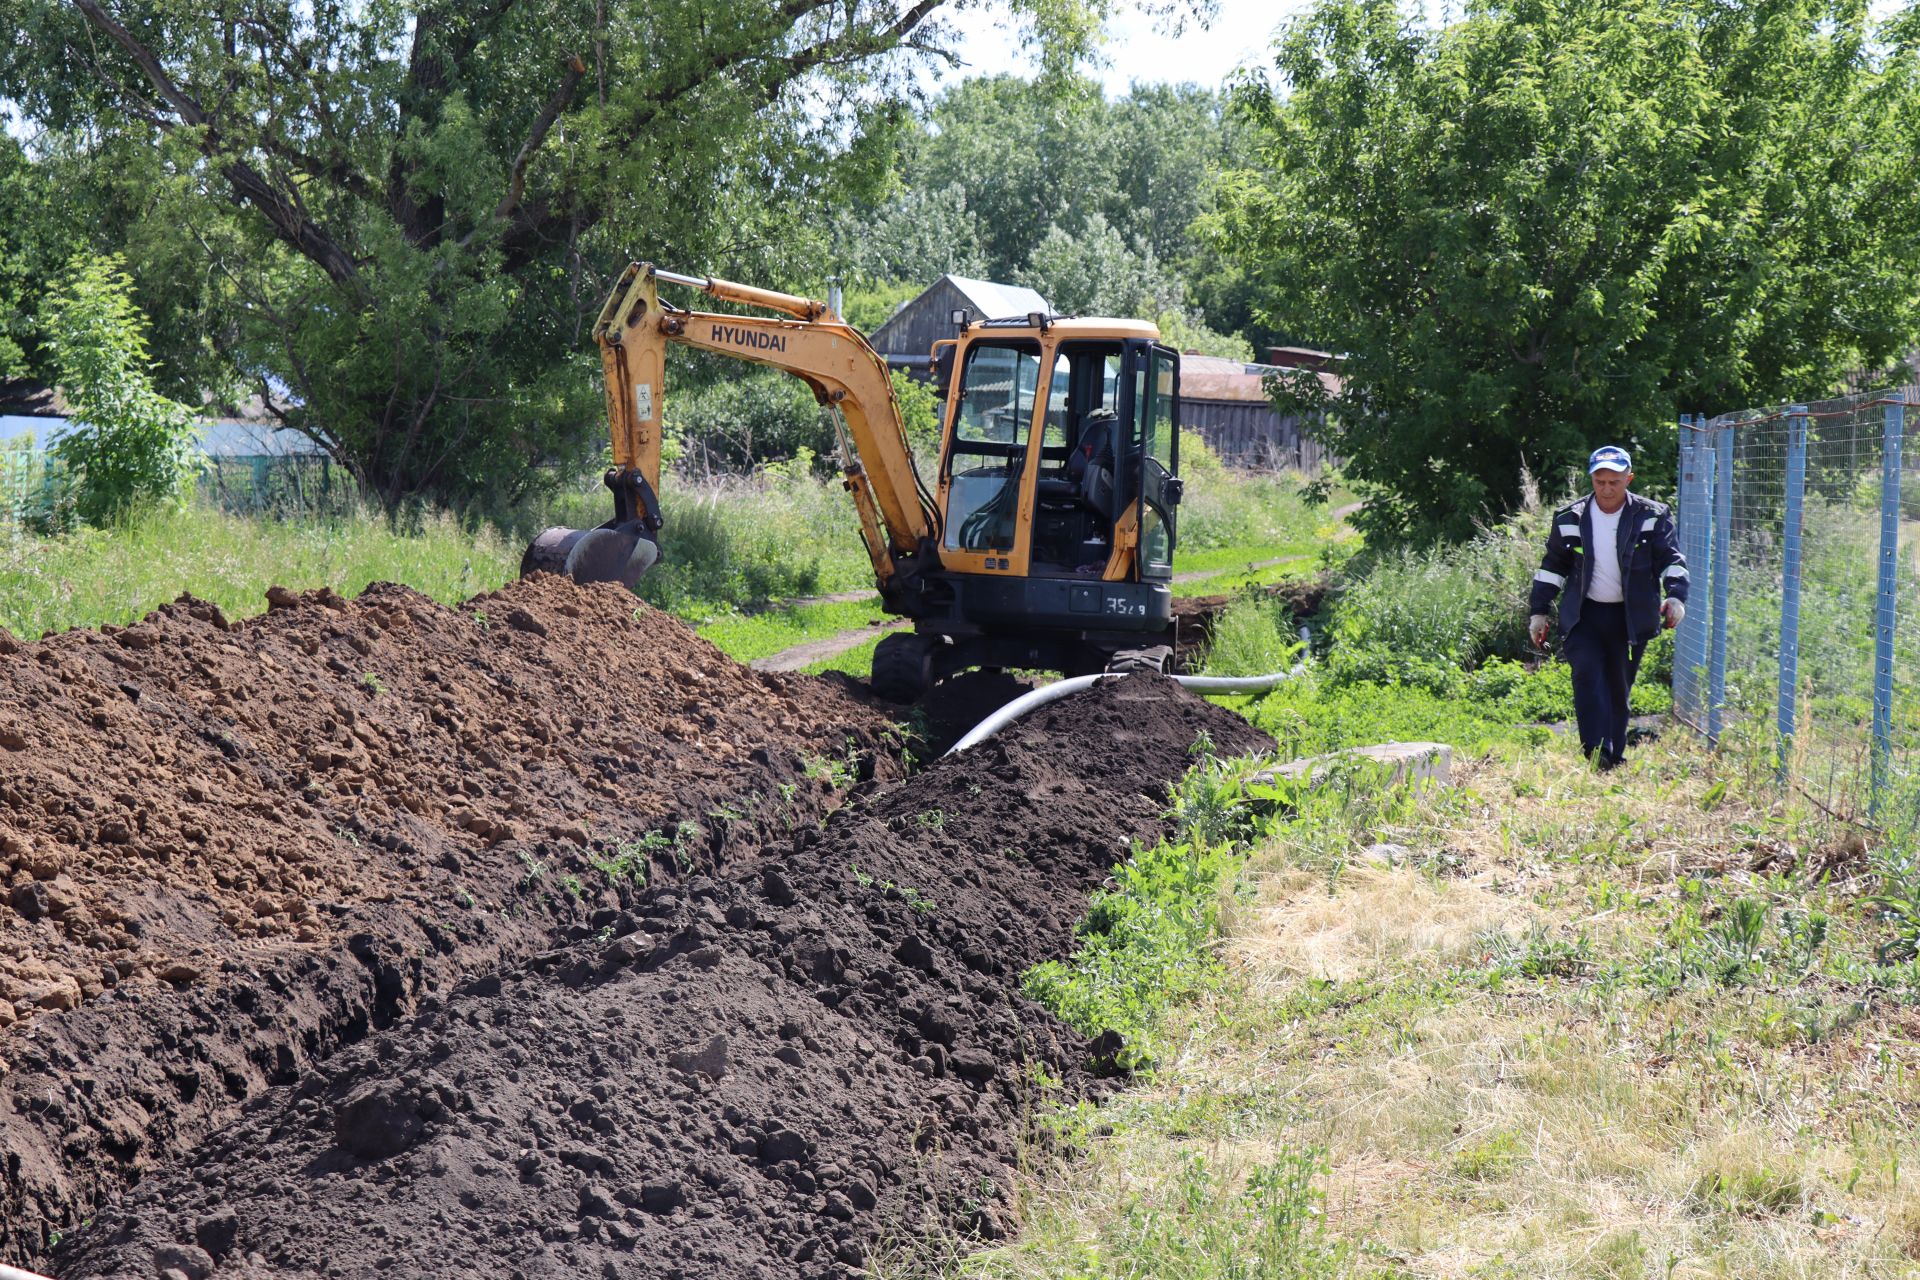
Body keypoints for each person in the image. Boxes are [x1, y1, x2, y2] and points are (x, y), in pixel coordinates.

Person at [1527, 445, 1688, 768]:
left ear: (1629, 479)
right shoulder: (1570, 517)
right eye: (1600, 481)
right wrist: (1538, 611)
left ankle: (1613, 755)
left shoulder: (1652, 516)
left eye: (1614, 481)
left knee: (1618, 687)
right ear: (1592, 479)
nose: (1607, 488)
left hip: (1630, 618)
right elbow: (1553, 566)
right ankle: (1596, 753)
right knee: (1586, 675)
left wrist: (1675, 596)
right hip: (1583, 616)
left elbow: (1670, 559)